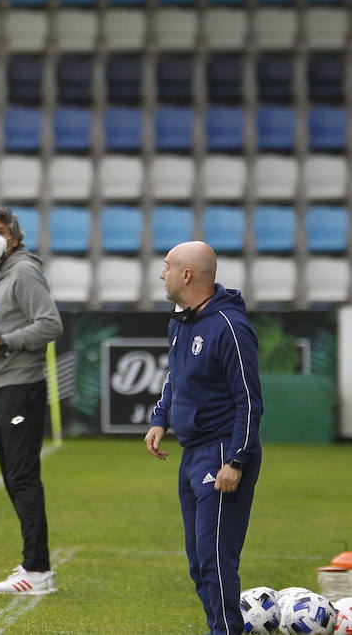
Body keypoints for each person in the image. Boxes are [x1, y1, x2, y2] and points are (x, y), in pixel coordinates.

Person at [145, 241, 263, 635]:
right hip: (193, 454)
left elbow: (249, 401)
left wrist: (236, 460)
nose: (162, 274)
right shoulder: (180, 319)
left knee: (215, 559)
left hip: (221, 453)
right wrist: (161, 418)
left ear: (187, 274)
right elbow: (175, 377)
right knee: (199, 561)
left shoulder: (230, 327)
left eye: (166, 267)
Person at [0, 206, 62, 595]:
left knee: (22, 477)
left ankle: (38, 570)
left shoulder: (22, 270)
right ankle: (33, 562)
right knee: (13, 477)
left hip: (23, 385)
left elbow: (50, 323)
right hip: (4, 385)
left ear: (15, 235)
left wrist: (4, 344)